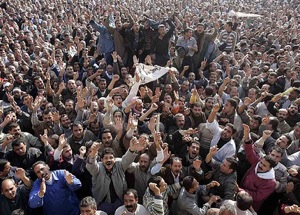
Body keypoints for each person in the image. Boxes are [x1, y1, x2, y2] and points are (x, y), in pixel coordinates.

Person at [86, 137, 146, 215]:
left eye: (111, 158)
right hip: (103, 203)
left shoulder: (119, 164)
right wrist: (93, 153)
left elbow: (126, 159)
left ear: (114, 159)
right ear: (101, 160)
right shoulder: (98, 167)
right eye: (106, 158)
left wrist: (132, 149)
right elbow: (91, 166)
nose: (109, 160)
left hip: (119, 201)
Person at [237, 124, 276, 212]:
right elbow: (249, 151)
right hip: (238, 196)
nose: (260, 165)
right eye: (261, 163)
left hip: (250, 206)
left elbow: (257, 196)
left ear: (270, 169)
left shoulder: (270, 182)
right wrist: (247, 135)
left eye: (264, 165)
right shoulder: (257, 163)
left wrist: (239, 189)